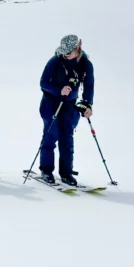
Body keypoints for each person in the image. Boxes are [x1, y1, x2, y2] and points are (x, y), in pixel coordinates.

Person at [37, 34, 95, 186]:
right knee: (51, 134)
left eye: (69, 52)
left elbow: (88, 86)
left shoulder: (86, 64)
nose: (65, 55)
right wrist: (58, 90)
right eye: (64, 51)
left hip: (70, 104)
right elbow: (43, 83)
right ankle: (46, 170)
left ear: (78, 48)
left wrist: (87, 105)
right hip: (50, 102)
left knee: (67, 138)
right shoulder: (55, 61)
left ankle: (66, 173)